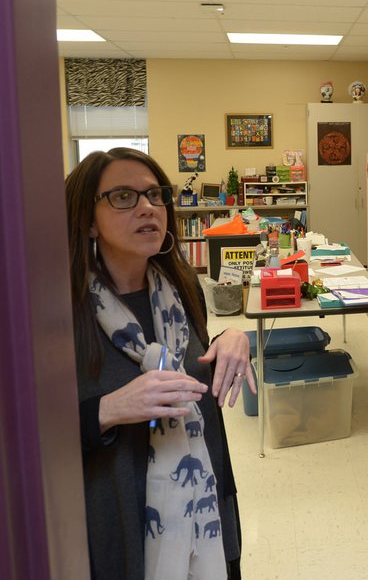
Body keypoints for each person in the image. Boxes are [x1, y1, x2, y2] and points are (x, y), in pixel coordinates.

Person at [65, 147, 256, 580]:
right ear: (89, 221)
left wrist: (232, 338)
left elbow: (198, 364)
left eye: (154, 194)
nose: (148, 207)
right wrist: (110, 409)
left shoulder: (181, 287)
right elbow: (32, 437)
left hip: (204, 508)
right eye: (123, 197)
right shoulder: (62, 314)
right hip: (121, 525)